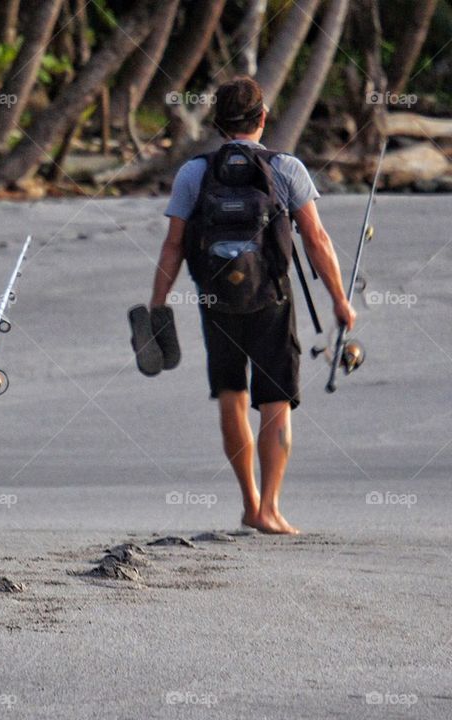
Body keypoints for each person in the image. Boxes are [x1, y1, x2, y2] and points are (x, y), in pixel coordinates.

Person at [147, 76, 357, 534]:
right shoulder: (286, 169)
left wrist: (157, 304)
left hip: (216, 300)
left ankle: (249, 501)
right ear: (263, 118)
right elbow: (317, 240)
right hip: (272, 299)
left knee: (231, 397)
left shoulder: (194, 172)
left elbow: (173, 245)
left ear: (219, 124)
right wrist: (340, 299)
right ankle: (271, 509)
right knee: (275, 402)